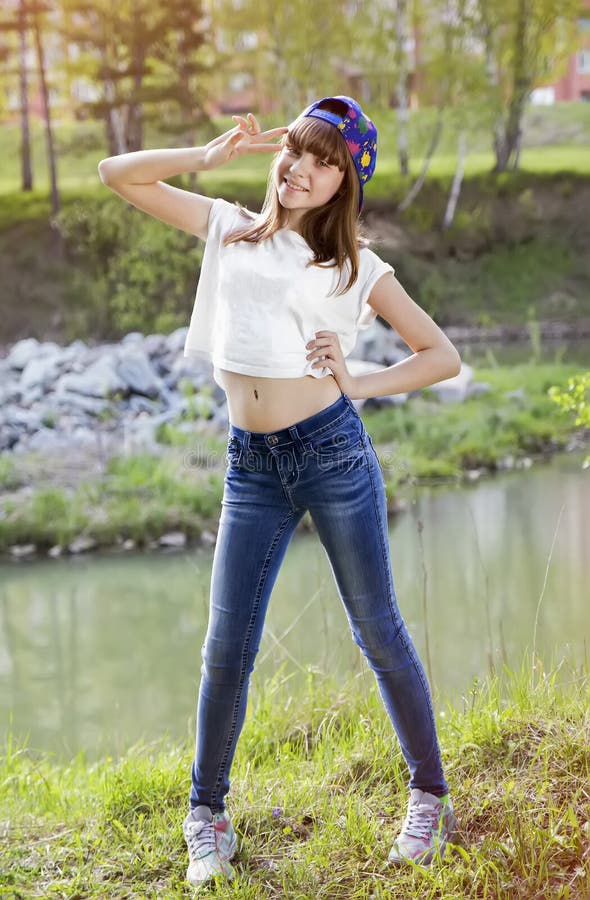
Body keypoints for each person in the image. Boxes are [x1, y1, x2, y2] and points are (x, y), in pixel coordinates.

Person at [98, 95, 462, 889]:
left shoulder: (357, 267)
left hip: (333, 454)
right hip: (250, 466)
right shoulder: (228, 226)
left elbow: (440, 356)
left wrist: (360, 380)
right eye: (297, 149)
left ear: (345, 183)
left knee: (379, 632)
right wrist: (203, 156)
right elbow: (115, 173)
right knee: (227, 647)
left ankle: (430, 795)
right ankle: (207, 817)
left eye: (325, 159)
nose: (303, 167)